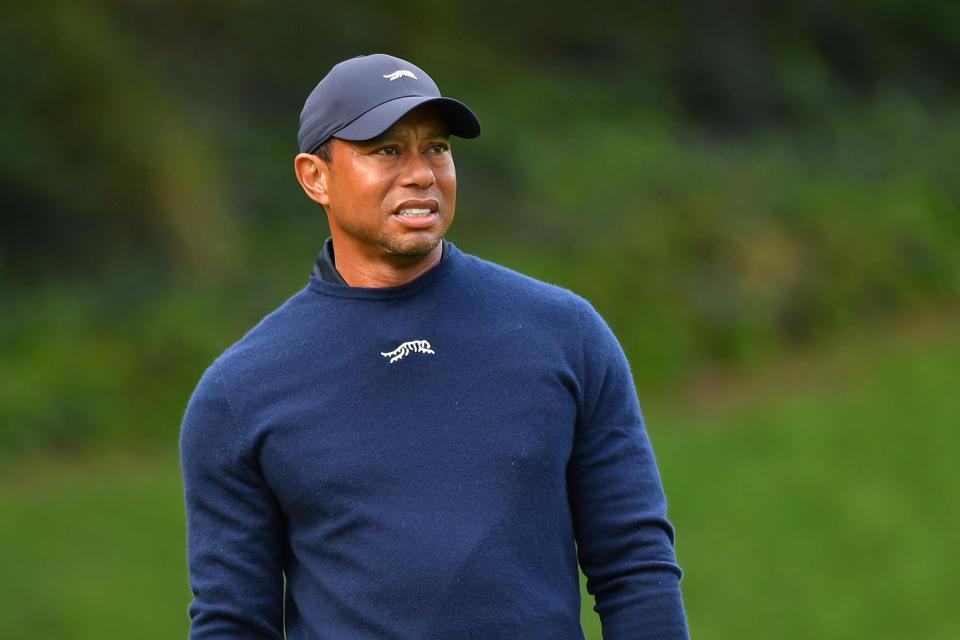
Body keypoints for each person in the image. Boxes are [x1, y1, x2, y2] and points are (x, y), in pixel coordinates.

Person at [180, 53, 689, 639]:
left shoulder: (565, 335)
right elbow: (233, 623)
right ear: (315, 177)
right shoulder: (239, 393)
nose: (422, 173)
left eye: (437, 148)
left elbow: (636, 568)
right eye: (387, 150)